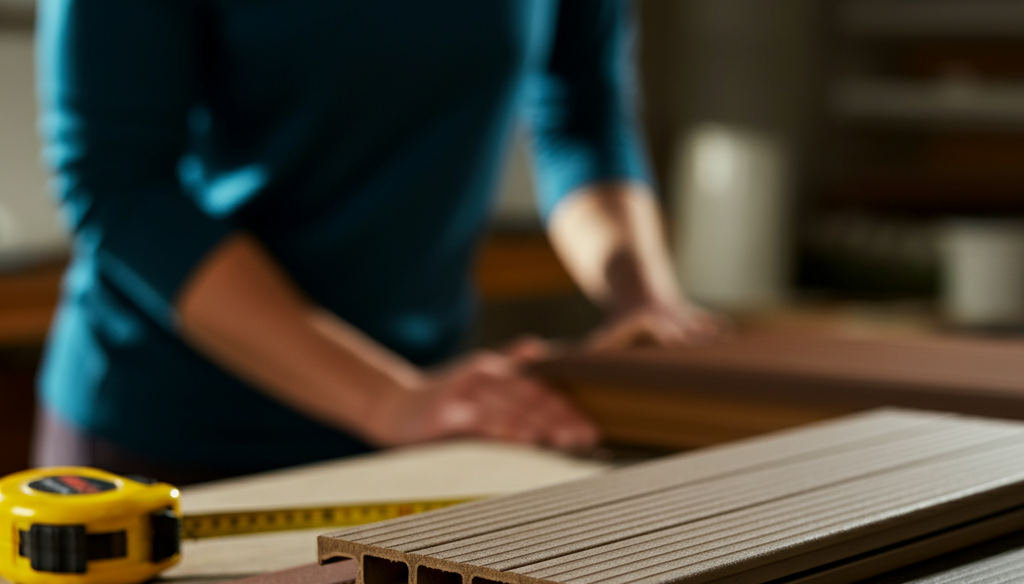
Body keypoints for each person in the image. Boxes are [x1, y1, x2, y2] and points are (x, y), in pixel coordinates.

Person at [32, 0, 716, 484]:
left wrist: (644, 300)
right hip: (176, 430)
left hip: (424, 413)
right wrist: (387, 399)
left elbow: (581, 114)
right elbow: (122, 187)